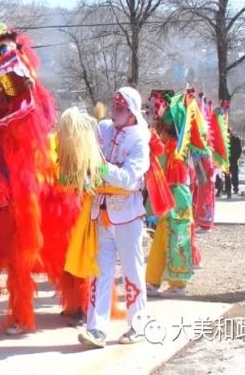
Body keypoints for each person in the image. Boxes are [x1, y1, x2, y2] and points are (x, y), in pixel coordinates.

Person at [78, 87, 151, 348]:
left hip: (128, 214)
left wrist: (98, 165)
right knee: (100, 272)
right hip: (101, 211)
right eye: (114, 106)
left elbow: (128, 178)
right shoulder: (106, 128)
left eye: (121, 108)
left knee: (132, 270)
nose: (115, 111)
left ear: (132, 113)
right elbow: (86, 136)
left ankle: (138, 325)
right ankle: (96, 329)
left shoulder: (140, 140)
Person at [146, 97, 194, 297]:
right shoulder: (178, 146)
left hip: (177, 198)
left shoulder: (174, 148)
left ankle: (178, 284)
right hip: (171, 196)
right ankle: (153, 281)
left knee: (177, 240)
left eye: (161, 130)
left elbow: (159, 164)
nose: (159, 133)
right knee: (160, 239)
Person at [227, 130, 241, 197]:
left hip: (233, 159)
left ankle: (235, 188)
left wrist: (236, 157)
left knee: (234, 174)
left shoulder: (236, 139)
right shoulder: (225, 139)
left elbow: (239, 150)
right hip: (227, 159)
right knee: (227, 175)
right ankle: (227, 189)